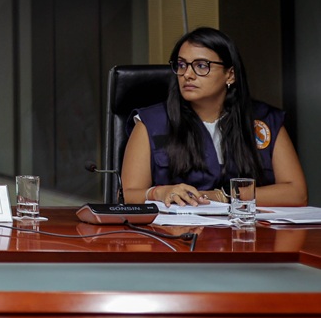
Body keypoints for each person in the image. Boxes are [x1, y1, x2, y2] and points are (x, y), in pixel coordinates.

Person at [121, 26, 306, 207]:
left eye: (201, 66)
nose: (187, 74)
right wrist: (159, 193)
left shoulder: (263, 120)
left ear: (230, 75)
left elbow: (297, 193)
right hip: (178, 233)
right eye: (182, 65)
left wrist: (226, 196)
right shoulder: (151, 122)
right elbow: (129, 194)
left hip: (248, 232)